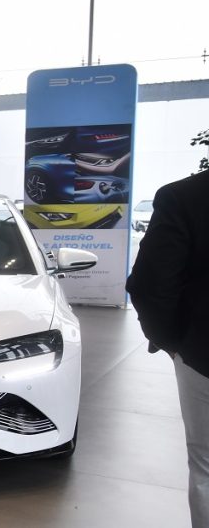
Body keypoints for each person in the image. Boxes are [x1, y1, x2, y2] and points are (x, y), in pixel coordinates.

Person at [126, 170, 209, 527]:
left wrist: (172, 342)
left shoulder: (186, 196)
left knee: (207, 465)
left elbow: (151, 285)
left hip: (203, 354)